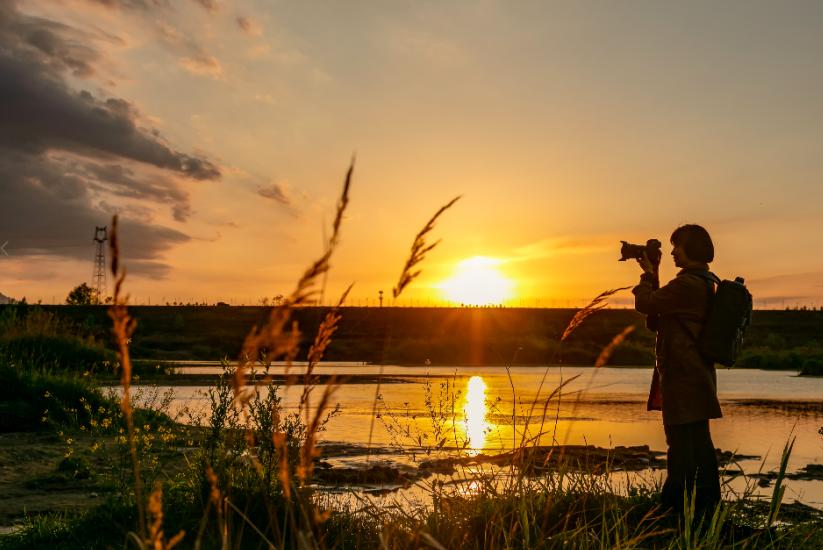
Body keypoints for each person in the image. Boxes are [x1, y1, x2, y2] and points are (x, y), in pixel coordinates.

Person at [633, 224, 722, 519]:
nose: (672, 251)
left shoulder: (687, 285)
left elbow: (645, 304)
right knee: (699, 445)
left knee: (681, 446)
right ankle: (705, 509)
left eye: (677, 245)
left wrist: (647, 275)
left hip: (683, 377)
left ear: (692, 248)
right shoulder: (704, 281)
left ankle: (673, 511)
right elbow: (658, 318)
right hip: (697, 375)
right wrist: (656, 274)